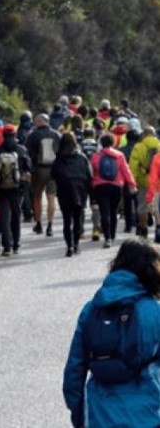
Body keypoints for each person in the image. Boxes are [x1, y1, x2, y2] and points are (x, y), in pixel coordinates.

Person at [63, 239, 160, 428]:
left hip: (100, 414)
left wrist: (80, 418)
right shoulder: (153, 311)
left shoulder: (91, 311)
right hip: (148, 414)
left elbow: (74, 372)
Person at [0, 124, 32, 256]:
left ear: (3, 135)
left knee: (4, 217)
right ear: (15, 135)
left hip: (1, 188)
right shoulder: (21, 150)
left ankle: (7, 247)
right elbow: (29, 167)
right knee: (16, 216)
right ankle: (16, 244)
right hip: (17, 188)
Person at [91, 132, 137, 248]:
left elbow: (92, 172)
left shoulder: (96, 156)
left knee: (104, 212)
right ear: (113, 142)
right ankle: (113, 235)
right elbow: (126, 171)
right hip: (116, 187)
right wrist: (132, 184)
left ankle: (107, 238)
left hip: (100, 187)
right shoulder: (119, 155)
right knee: (113, 212)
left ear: (101, 143)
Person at [52, 132, 92, 256]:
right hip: (80, 190)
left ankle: (69, 246)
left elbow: (53, 174)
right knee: (78, 218)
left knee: (66, 220)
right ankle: (76, 244)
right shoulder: (82, 157)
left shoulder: (59, 159)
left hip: (64, 190)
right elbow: (89, 175)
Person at [25, 114, 61, 236]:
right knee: (51, 198)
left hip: (39, 170)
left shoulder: (33, 135)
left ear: (39, 122)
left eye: (36, 121)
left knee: (37, 197)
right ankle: (50, 225)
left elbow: (27, 155)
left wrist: (29, 170)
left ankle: (39, 223)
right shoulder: (56, 135)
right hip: (54, 169)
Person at [128, 127, 160, 238]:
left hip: (143, 181)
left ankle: (144, 228)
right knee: (157, 205)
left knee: (142, 206)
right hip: (158, 182)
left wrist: (133, 181)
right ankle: (158, 228)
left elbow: (133, 166)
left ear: (143, 135)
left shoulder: (138, 147)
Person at [119, 129, 141, 233]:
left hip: (125, 180)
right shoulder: (141, 149)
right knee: (139, 202)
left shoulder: (121, 150)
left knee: (127, 203)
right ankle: (139, 222)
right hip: (140, 179)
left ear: (127, 138)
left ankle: (128, 226)